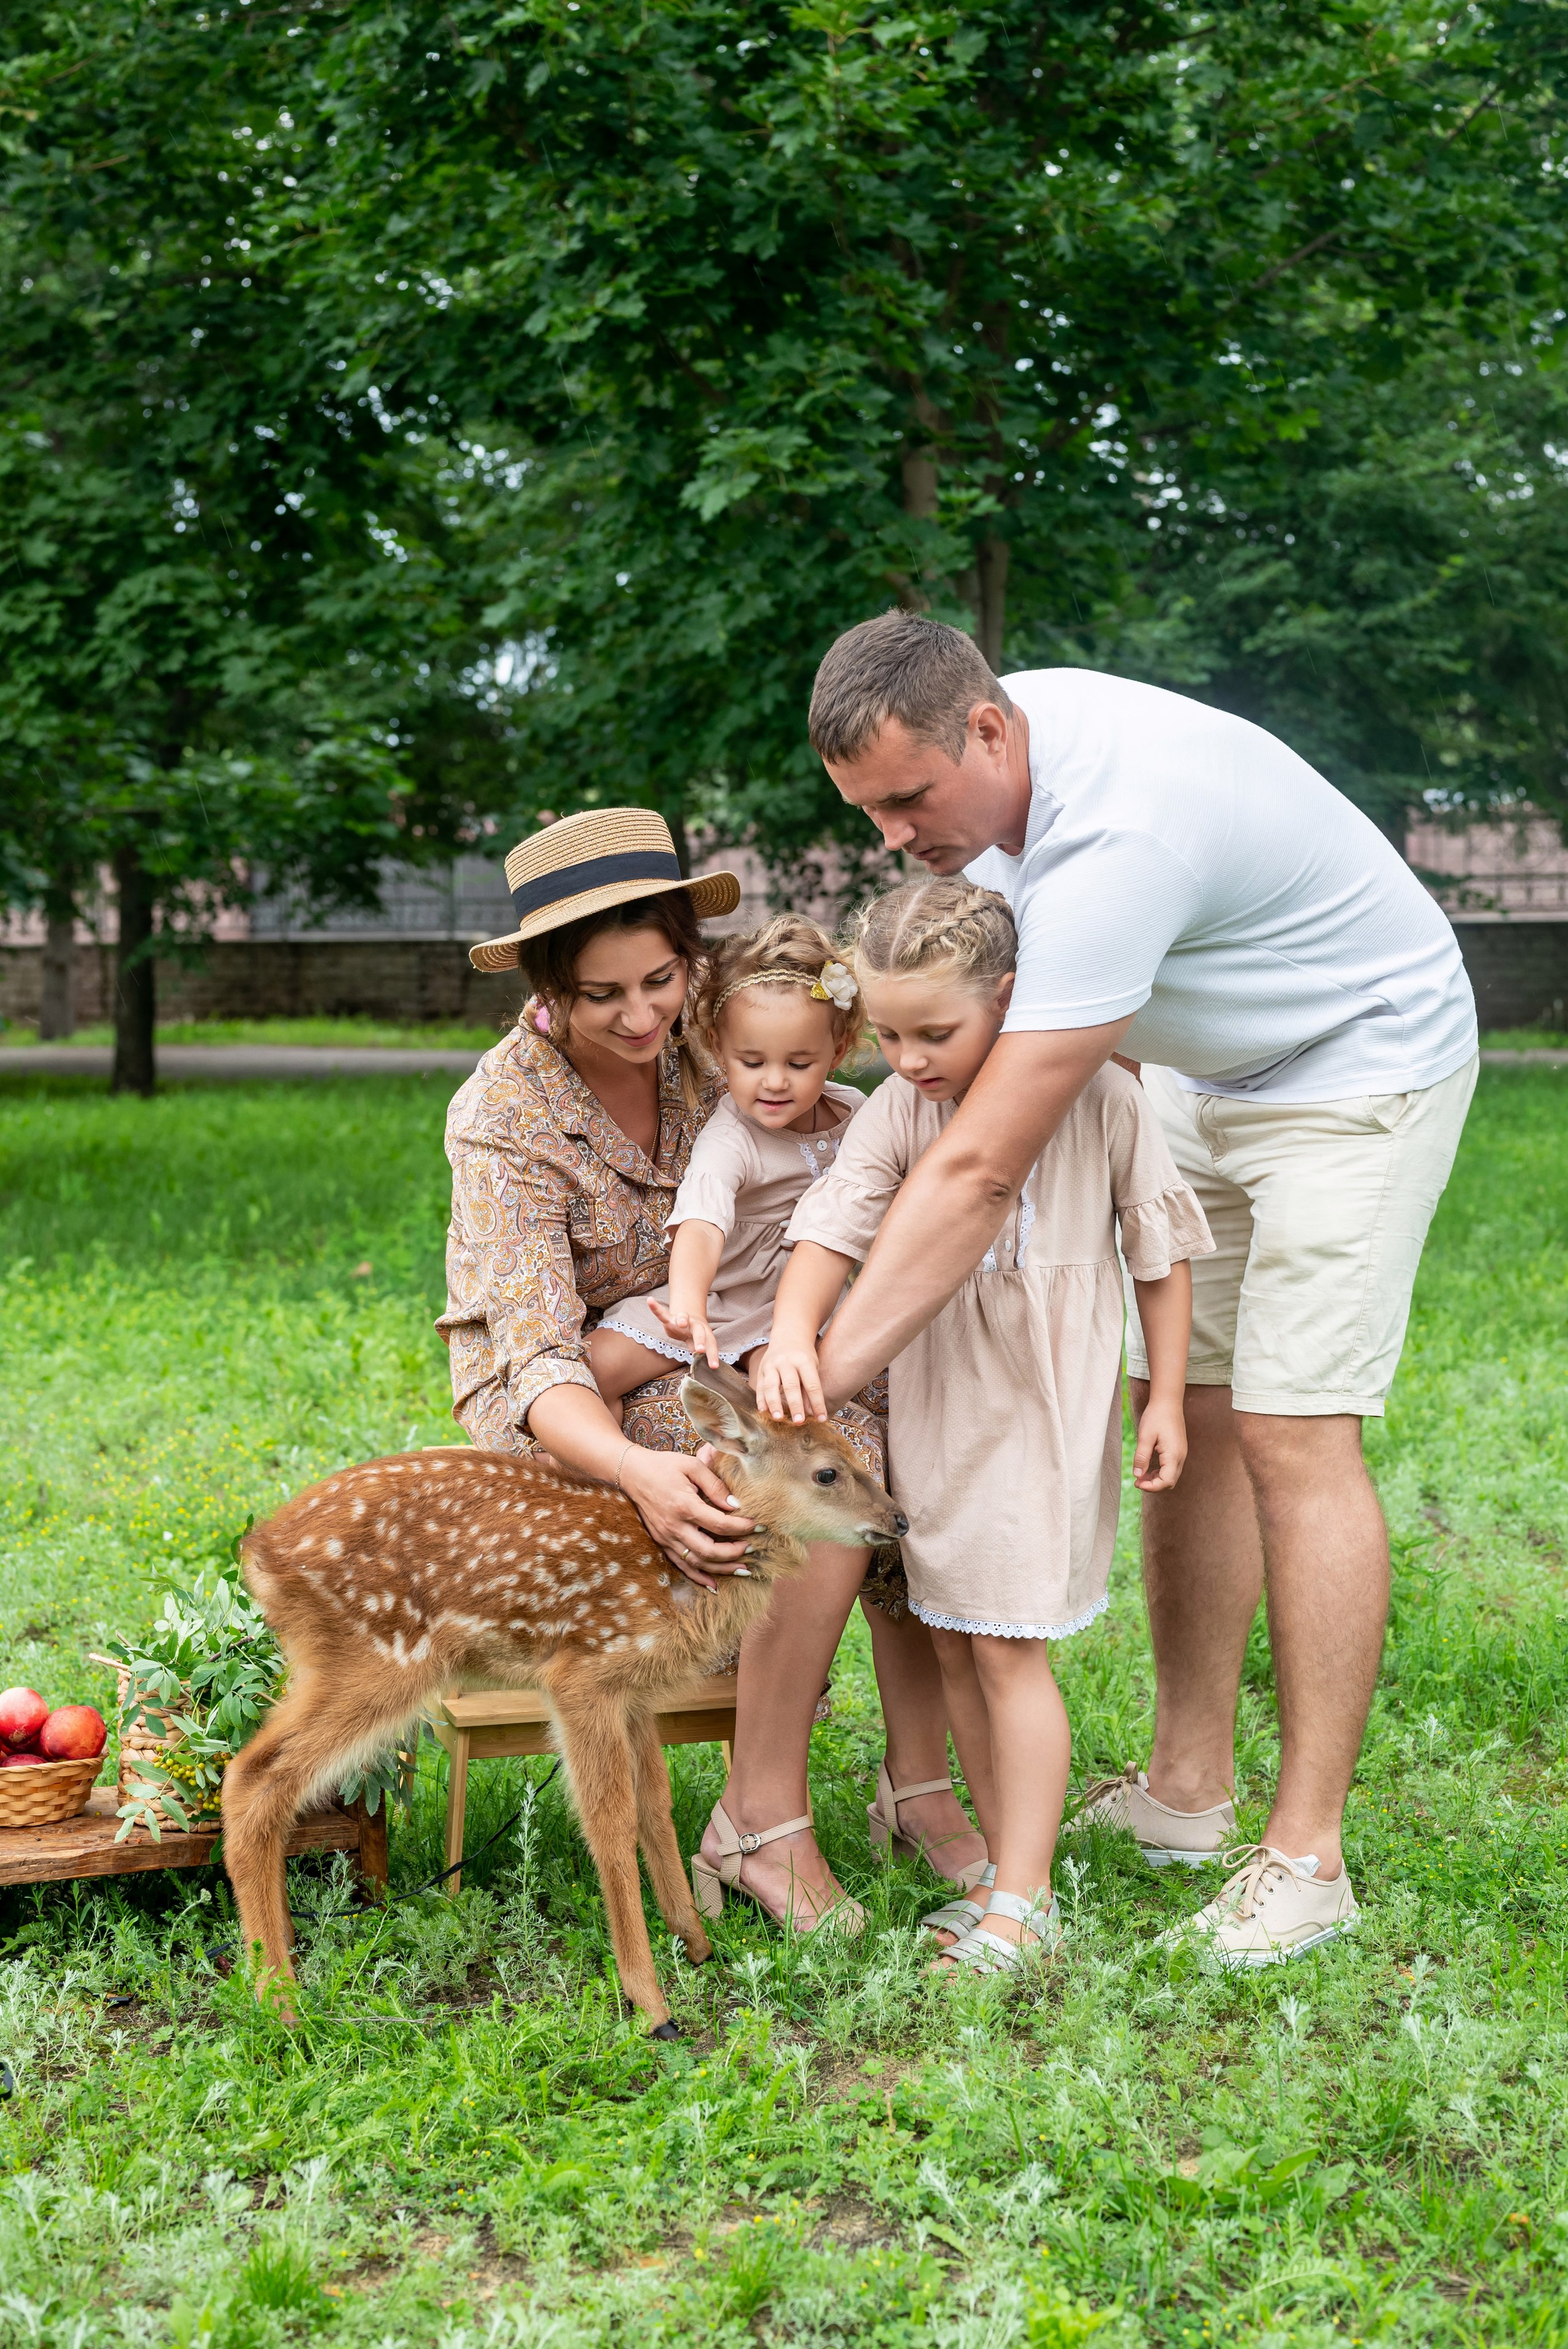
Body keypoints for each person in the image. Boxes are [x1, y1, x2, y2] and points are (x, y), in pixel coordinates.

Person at [796, 613, 1479, 1966]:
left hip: (1360, 1064)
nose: (893, 837)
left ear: (986, 731)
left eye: (907, 801)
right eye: (866, 812)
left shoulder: (1114, 843)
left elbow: (982, 1163)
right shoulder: (997, 735)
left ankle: (1305, 1860)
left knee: (1292, 1428)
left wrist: (818, 1375)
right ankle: (1182, 1792)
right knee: (1202, 1421)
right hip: (1204, 1074)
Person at [437, 806, 985, 1932]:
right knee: (827, 1461)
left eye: (660, 978)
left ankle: (916, 1777)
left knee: (905, 1416)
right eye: (603, 994)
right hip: (566, 1403)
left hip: (723, 1347)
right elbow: (539, 1357)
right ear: (548, 987)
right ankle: (763, 1819)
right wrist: (642, 1473)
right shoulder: (503, 1111)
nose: (642, 1015)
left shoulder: (720, 1041)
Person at [758, 877, 1210, 1974]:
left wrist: (1162, 1395)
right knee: (957, 1639)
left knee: (1007, 1651)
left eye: (936, 1032)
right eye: (891, 1032)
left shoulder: (1100, 1098)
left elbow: (1163, 1253)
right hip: (938, 1412)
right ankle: (1013, 1868)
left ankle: (1023, 1899)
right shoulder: (905, 1110)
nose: (909, 1057)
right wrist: (789, 1328)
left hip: (1036, 1417)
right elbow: (834, 1219)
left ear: (1009, 999)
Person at [587, 913, 869, 1400]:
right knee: (594, 1370)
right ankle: (574, 1462)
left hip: (800, 1307)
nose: (775, 1081)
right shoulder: (733, 1136)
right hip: (719, 1297)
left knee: (781, 1393)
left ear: (837, 1050)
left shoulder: (860, 1116)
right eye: (752, 1062)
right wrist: (688, 1305)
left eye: (799, 1064)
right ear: (719, 1050)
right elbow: (702, 1221)